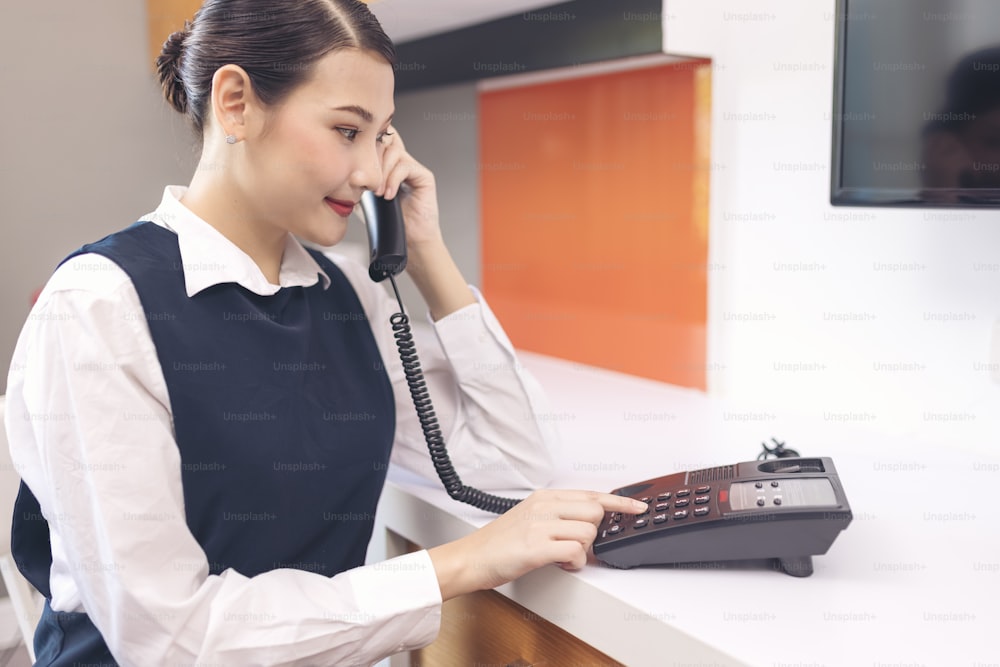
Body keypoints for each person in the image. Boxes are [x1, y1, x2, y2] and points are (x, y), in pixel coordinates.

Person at [4, 1, 645, 665]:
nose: (371, 172)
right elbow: (171, 641)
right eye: (347, 130)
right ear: (235, 103)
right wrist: (458, 564)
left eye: (382, 137)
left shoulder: (347, 295)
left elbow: (513, 465)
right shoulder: (99, 307)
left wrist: (425, 252)